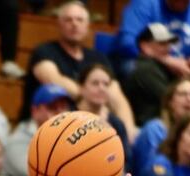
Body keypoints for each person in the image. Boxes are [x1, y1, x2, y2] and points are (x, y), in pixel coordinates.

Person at [116, 0, 190, 142]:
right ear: (146, 46)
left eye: (170, 42)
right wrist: (167, 60)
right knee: (134, 69)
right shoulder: (145, 4)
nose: (168, 47)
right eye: (162, 43)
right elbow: (127, 42)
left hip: (187, 68)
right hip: (151, 66)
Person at [23, 0, 136, 135]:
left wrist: (128, 131)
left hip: (87, 128)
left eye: (79, 20)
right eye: (68, 20)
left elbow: (117, 98)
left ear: (88, 26)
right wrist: (93, 101)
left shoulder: (98, 58)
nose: (74, 24)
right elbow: (54, 80)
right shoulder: (44, 51)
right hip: (44, 128)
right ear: (59, 24)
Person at [3, 85, 72, 176]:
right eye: (52, 107)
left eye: (63, 107)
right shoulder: (17, 141)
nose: (60, 114)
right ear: (35, 111)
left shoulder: (72, 135)